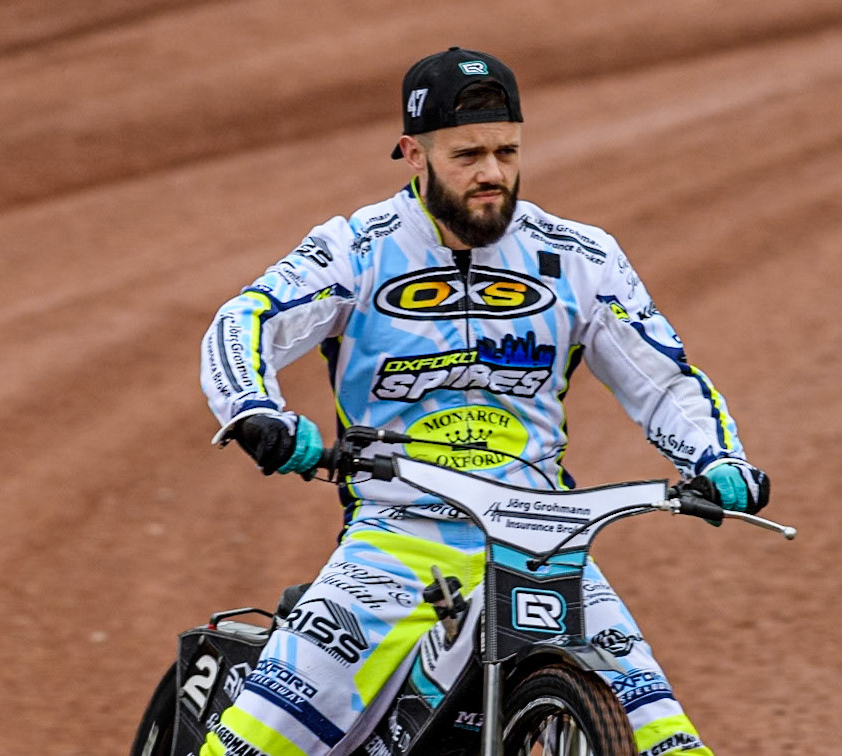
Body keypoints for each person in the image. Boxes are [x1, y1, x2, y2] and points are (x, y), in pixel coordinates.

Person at [199, 46, 769, 756]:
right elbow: (244, 321)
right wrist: (254, 410)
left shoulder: (578, 257)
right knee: (251, 746)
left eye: (506, 150)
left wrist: (719, 458)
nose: (491, 174)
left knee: (667, 745)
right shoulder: (355, 249)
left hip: (545, 547)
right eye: (467, 153)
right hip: (398, 545)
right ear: (414, 154)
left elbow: (663, 378)